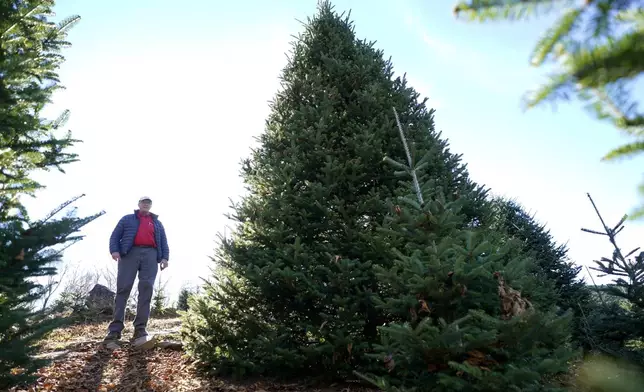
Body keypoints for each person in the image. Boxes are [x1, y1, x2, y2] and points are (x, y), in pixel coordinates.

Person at [104, 196, 169, 345]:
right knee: (123, 288)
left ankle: (140, 328)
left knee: (146, 289)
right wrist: (114, 251)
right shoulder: (127, 219)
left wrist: (165, 258)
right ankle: (115, 329)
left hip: (151, 255)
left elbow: (164, 242)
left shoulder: (157, 223)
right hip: (129, 253)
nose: (146, 204)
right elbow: (115, 236)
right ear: (139, 204)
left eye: (148, 203)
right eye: (143, 202)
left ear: (151, 206)